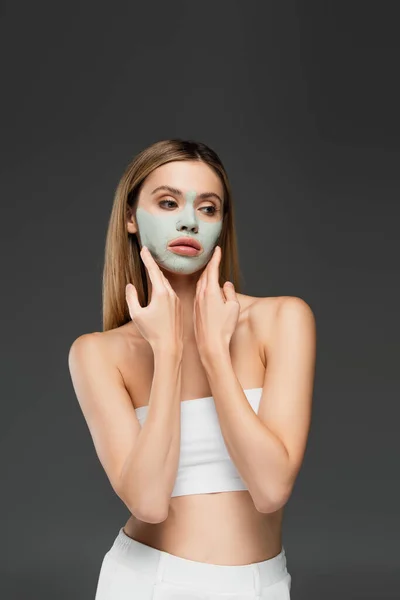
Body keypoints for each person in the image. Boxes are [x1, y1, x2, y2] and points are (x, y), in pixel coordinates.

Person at [68, 138, 316, 599]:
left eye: (208, 208)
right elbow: (147, 502)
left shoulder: (283, 320)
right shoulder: (97, 353)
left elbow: (270, 488)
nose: (188, 220)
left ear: (222, 225)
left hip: (266, 585)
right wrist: (167, 352)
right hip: (151, 584)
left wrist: (215, 353)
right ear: (130, 218)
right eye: (168, 202)